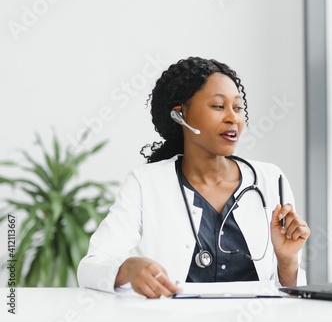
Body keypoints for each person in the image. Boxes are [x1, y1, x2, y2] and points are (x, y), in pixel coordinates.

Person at [77, 57, 310, 298]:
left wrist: (287, 260)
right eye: (219, 106)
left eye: (238, 107)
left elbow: (290, 295)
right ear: (180, 115)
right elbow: (90, 267)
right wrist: (127, 269)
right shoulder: (146, 183)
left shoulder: (271, 179)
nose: (233, 118)